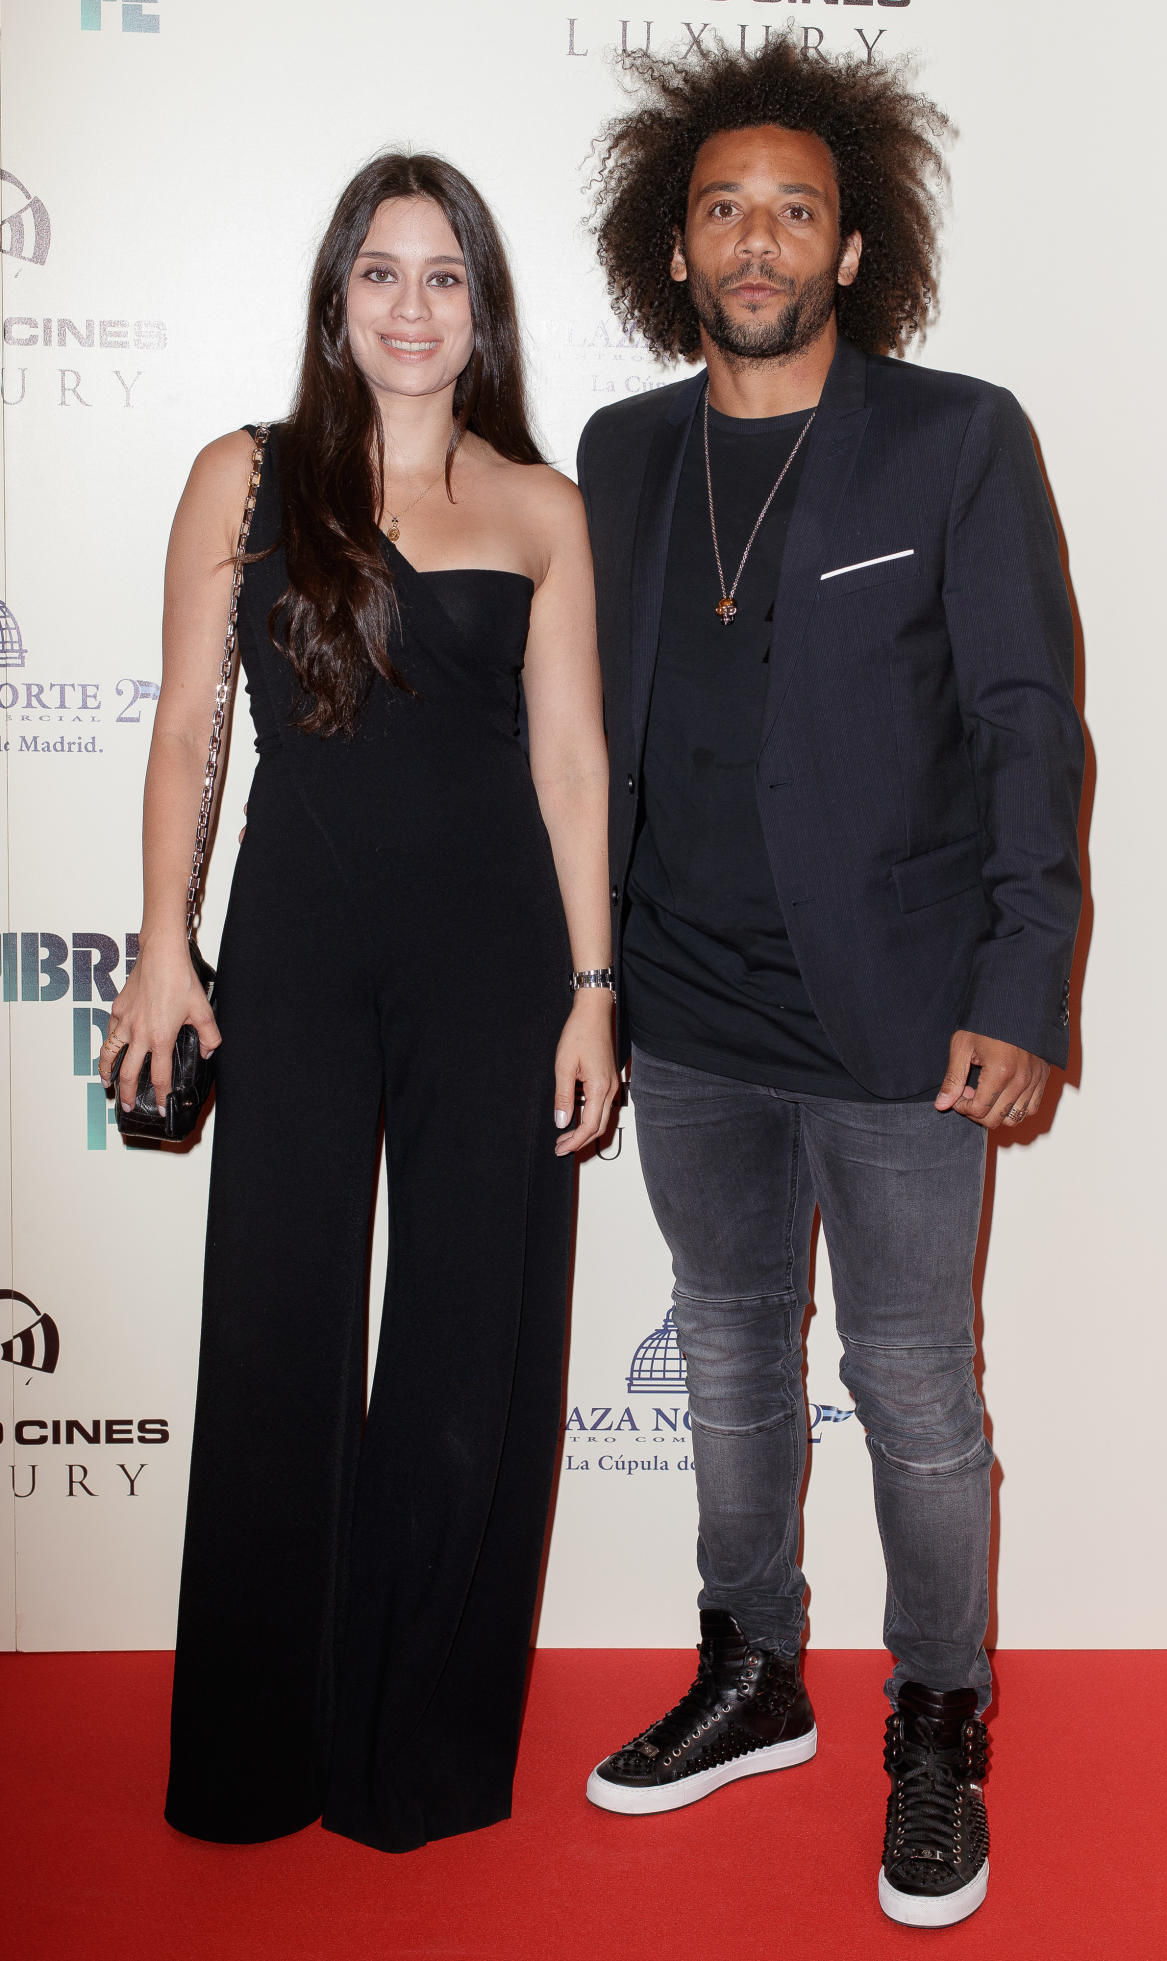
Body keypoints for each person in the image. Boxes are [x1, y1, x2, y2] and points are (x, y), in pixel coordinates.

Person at [575, 42, 1082, 1928]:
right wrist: (586, 980)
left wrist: (1023, 985)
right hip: (684, 1017)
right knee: (722, 1357)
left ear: (852, 243)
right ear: (673, 243)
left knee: (914, 1392)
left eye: (794, 206)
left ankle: (935, 1719)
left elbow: (1030, 728)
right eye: (723, 208)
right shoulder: (624, 455)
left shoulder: (953, 437)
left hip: (896, 1024)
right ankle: (754, 1669)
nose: (757, 236)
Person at [100, 152, 617, 1854]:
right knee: (274, 1332)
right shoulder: (242, 478)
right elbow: (189, 728)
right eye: (380, 272)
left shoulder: (542, 506)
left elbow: (568, 760)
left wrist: (594, 984)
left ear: (484, 308)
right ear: (336, 297)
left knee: (479, 1339)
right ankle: (255, 1758)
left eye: (444, 276)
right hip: (299, 949)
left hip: (498, 963)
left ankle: (424, 1758)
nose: (411, 305)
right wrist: (164, 945)